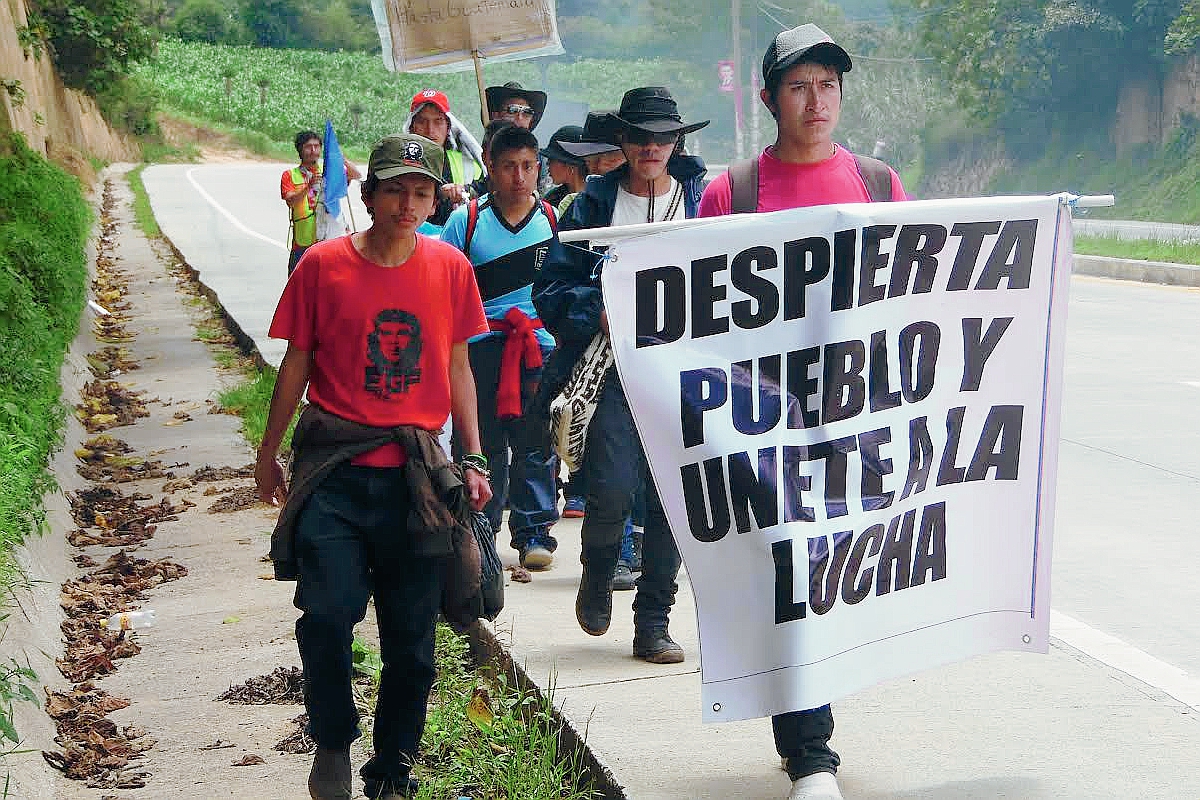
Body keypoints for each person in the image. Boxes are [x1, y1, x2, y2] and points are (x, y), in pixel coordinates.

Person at [698, 24, 907, 800]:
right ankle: (811, 754)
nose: (815, 100)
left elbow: (910, 300)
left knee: (840, 573)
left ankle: (814, 726)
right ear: (768, 99)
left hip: (854, 414)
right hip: (766, 418)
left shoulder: (880, 186)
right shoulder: (736, 192)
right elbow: (694, 308)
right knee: (790, 571)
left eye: (827, 84)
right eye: (798, 86)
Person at [256, 132, 493, 800]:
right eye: (396, 189)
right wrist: (268, 453)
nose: (409, 203)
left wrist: (472, 455)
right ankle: (332, 740)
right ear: (369, 195)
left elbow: (456, 365)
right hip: (335, 471)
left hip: (416, 481)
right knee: (326, 616)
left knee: (413, 644)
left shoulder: (449, 268)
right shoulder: (323, 266)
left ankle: (393, 770)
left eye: (422, 191)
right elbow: (297, 361)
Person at [533, 86, 709, 664]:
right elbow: (552, 287)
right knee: (610, 486)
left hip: (687, 371)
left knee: (671, 501)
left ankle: (654, 621)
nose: (652, 147)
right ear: (624, 142)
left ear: (677, 140)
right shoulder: (591, 205)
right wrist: (597, 309)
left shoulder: (705, 200)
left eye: (663, 136)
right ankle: (597, 569)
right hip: (612, 368)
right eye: (640, 136)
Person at [441, 124, 561, 570]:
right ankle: (481, 529)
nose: (519, 176)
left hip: (537, 347)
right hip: (478, 347)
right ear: (489, 167)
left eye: (528, 166)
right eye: (509, 166)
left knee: (535, 440)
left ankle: (534, 532)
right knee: (482, 439)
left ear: (538, 169)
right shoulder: (466, 220)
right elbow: (448, 284)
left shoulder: (551, 221)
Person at [281, 129, 363, 274]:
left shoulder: (329, 171)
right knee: (299, 288)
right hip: (303, 243)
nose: (313, 150)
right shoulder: (289, 175)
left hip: (328, 240)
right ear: (300, 149)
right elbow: (291, 201)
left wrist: (339, 158)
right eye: (308, 147)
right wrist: (309, 186)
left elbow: (356, 174)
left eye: (317, 146)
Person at [404, 89, 485, 229]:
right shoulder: (400, 163)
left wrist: (465, 191)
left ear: (448, 127)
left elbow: (485, 194)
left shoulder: (469, 164)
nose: (430, 130)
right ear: (412, 127)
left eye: (438, 121)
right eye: (422, 121)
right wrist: (439, 193)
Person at [541, 125, 589, 210]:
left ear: (570, 165)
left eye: (552, 159)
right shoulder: (551, 201)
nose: (547, 163)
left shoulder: (598, 201)